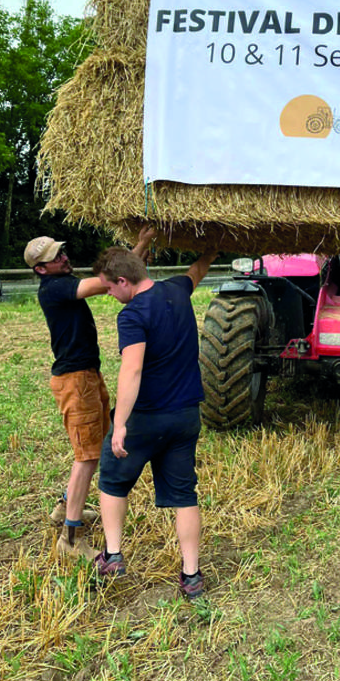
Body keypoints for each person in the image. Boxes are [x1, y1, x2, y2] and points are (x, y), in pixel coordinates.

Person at [90, 245, 217, 599]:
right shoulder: (177, 289)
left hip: (146, 418)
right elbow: (197, 269)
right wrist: (212, 248)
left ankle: (113, 555)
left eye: (110, 288)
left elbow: (132, 370)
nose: (110, 295)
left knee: (112, 481)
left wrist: (120, 424)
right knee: (183, 495)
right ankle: (191, 576)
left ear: (123, 281)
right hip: (186, 416)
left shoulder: (132, 315)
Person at [24, 228, 155, 561]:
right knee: (86, 457)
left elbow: (116, 276)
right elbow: (108, 282)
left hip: (88, 375)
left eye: (62, 252)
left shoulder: (62, 281)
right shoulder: (54, 289)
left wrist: (137, 253)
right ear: (41, 269)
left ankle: (64, 508)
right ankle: (69, 539)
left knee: (93, 446)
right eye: (56, 258)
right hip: (74, 380)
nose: (64, 258)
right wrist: (141, 245)